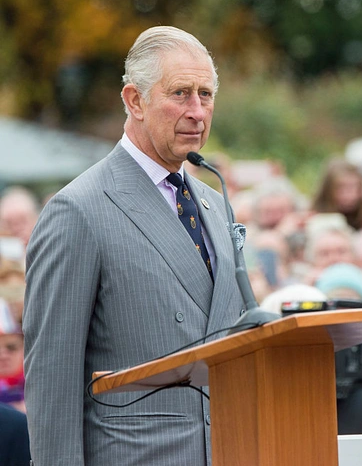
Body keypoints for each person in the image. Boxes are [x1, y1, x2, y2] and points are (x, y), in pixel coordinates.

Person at [23, 26, 246, 465]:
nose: (197, 111)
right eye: (180, 93)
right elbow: (52, 375)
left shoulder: (216, 205)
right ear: (134, 100)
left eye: (206, 94)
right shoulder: (79, 210)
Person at [311, 158, 362, 230]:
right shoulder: (315, 218)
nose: (350, 195)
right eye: (342, 188)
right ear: (328, 189)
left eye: (355, 187)